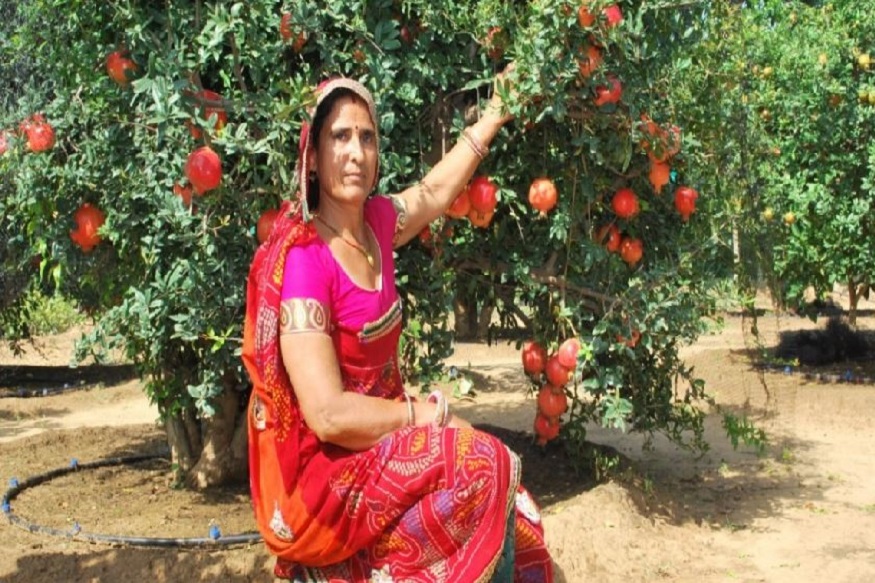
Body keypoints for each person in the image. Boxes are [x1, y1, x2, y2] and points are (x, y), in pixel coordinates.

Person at [242, 69, 553, 582]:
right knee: (481, 464)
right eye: (339, 137)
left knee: (511, 498)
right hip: (330, 474)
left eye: (366, 137)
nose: (355, 152)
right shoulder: (305, 262)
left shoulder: (378, 226)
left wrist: (498, 111)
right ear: (313, 158)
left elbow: (433, 193)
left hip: (380, 442)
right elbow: (327, 416)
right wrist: (424, 417)